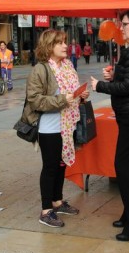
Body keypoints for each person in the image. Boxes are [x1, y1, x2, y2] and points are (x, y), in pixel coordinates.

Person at [91, 8, 129, 242]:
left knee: (126, 169)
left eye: (125, 23)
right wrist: (114, 75)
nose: (121, 27)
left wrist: (100, 86)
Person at [24, 29, 89, 228]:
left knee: (61, 165)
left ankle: (57, 201)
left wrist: (81, 96)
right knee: (50, 167)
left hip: (67, 126)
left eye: (65, 42)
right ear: (48, 46)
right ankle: (45, 210)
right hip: (49, 128)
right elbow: (35, 100)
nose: (65, 46)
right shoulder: (41, 70)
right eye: (59, 43)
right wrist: (64, 99)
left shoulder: (68, 66)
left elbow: (73, 93)